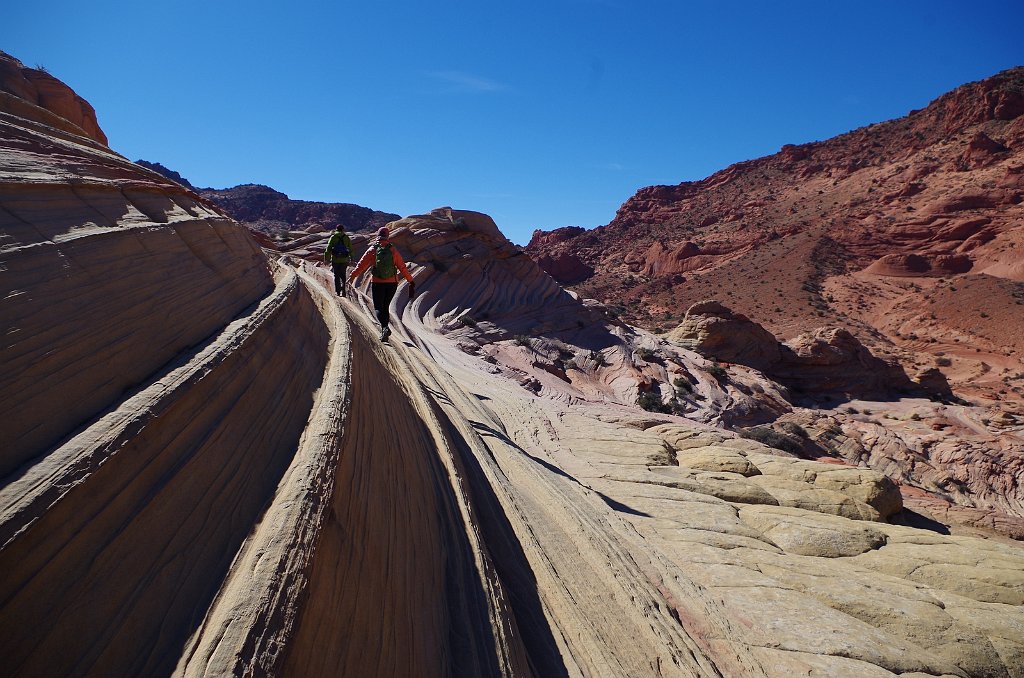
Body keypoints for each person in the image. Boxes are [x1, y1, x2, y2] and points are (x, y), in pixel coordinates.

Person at [349, 226, 416, 341]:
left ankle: (385, 328)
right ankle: (385, 329)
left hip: (378, 282)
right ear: (387, 236)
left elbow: (361, 265)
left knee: (378, 307)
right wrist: (410, 280)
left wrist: (352, 276)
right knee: (385, 307)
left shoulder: (373, 249)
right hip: (392, 284)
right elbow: (402, 267)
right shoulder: (393, 250)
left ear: (378, 236)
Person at [324, 224, 354, 296]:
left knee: (336, 275)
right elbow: (350, 249)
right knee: (343, 275)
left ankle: (338, 291)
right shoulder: (346, 237)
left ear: (336, 229)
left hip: (335, 259)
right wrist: (352, 258)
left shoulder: (333, 237)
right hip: (344, 260)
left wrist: (326, 258)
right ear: (343, 229)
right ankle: (343, 291)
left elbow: (328, 248)